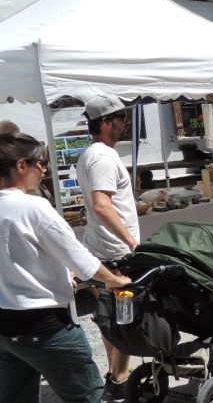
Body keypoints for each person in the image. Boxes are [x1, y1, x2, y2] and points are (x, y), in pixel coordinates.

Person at [0, 132, 132, 403]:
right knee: (88, 398)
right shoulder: (33, 207)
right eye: (40, 163)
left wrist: (61, 274)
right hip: (46, 328)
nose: (44, 169)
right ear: (21, 166)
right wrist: (115, 281)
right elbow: (82, 260)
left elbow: (16, 259)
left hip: (5, 328)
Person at [76, 94, 139, 399]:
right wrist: (130, 240)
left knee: (111, 320)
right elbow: (101, 206)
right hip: (115, 253)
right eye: (121, 118)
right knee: (123, 320)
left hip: (104, 248)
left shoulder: (93, 153)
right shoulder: (101, 156)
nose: (126, 123)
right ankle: (119, 380)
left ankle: (116, 375)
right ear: (105, 123)